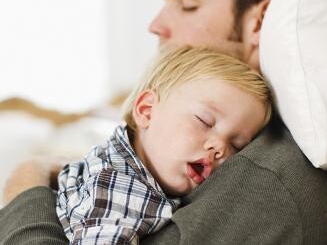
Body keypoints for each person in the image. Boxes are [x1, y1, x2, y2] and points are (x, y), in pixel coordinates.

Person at [0, 0, 327, 244]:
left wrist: (28, 178)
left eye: (188, 4)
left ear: (259, 22)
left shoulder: (266, 183)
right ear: (147, 108)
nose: (156, 24)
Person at [56, 46, 271, 244]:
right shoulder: (119, 188)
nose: (220, 148)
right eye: (204, 121)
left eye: (237, 145)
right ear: (147, 110)